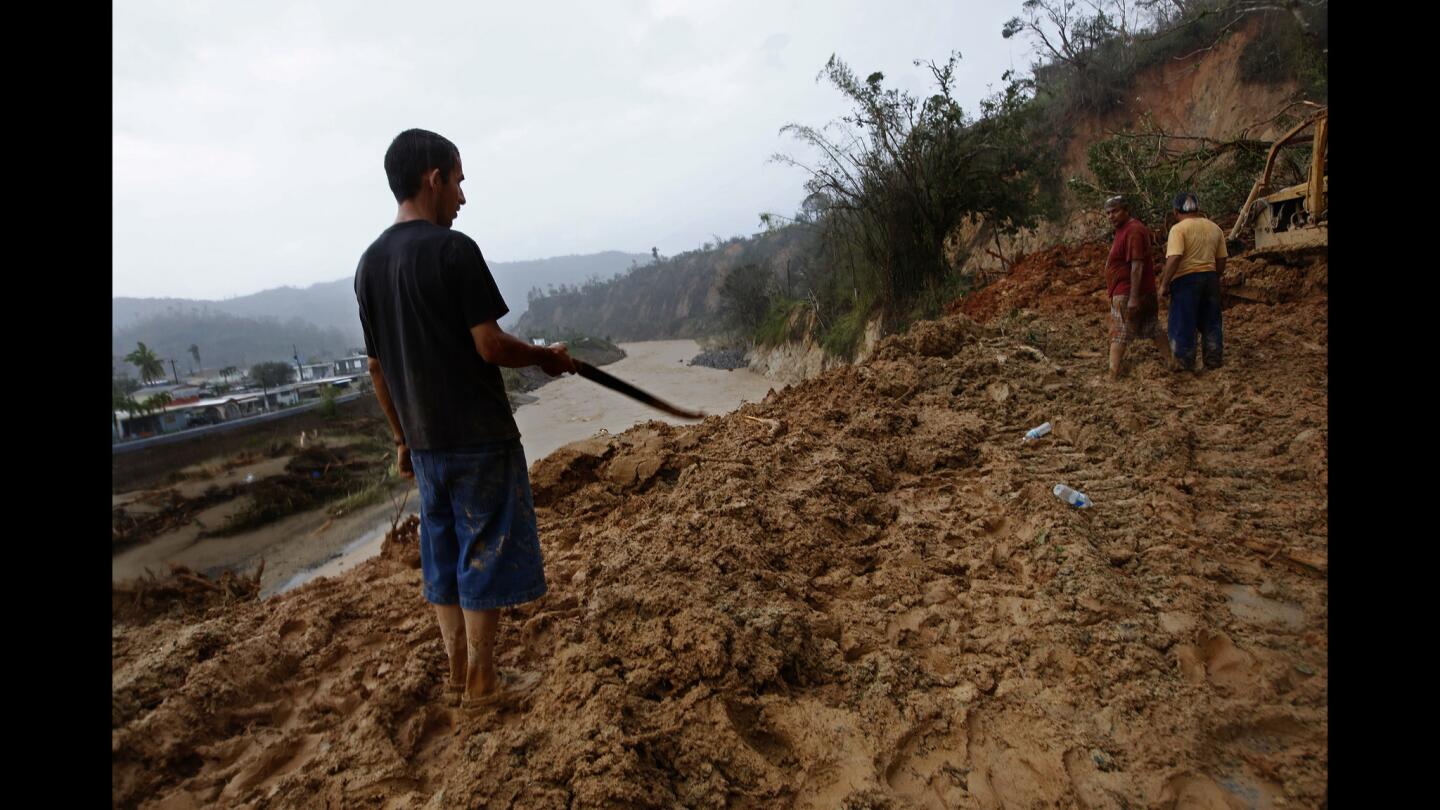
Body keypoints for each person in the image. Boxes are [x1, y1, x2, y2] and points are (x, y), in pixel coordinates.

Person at [354, 128, 577, 711]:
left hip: (425, 445)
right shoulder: (454, 250)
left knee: (444, 549)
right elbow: (491, 346)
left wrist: (402, 439)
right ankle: (483, 682)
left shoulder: (368, 265)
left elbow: (378, 369)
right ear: (434, 179)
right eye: (458, 181)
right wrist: (545, 358)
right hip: (478, 435)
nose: (462, 197)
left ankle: (458, 671)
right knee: (484, 547)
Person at [1101, 195, 1170, 379]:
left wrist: (1133, 297)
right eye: (1108, 213)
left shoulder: (1133, 230)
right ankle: (1171, 363)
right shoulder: (1124, 230)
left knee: (1118, 332)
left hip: (1129, 292)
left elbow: (1137, 265)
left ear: (1126, 210)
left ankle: (1112, 374)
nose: (1111, 216)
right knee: (1153, 327)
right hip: (1137, 291)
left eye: (1115, 211)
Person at [1158, 191, 1226, 372]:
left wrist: (1164, 284)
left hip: (1186, 280)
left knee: (1183, 322)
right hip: (1211, 278)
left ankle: (1183, 361)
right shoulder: (1214, 228)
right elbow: (1221, 260)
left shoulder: (1178, 229)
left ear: (1175, 211)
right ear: (1197, 208)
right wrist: (1214, 276)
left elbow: (1174, 257)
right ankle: (1213, 359)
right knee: (1211, 321)